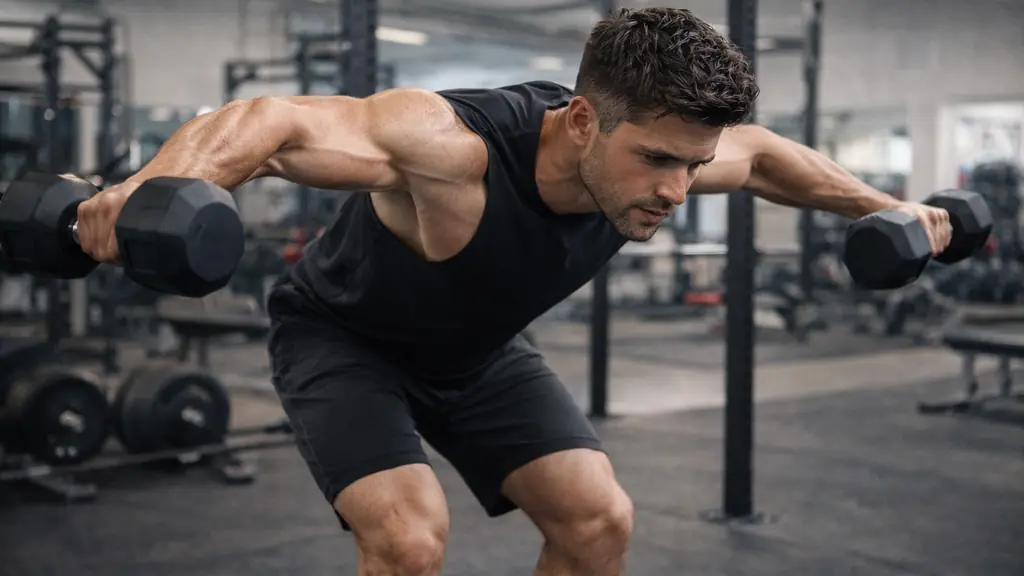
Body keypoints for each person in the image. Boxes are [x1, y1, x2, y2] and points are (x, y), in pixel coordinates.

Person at [76, 7, 951, 576]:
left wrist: (895, 209)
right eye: (655, 159)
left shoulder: (669, 156)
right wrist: (152, 188)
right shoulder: (451, 148)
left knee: (598, 521)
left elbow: (761, 157)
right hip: (345, 340)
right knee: (411, 540)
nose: (677, 192)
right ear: (581, 121)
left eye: (692, 165)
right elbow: (271, 122)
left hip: (479, 351)